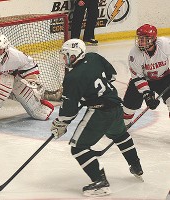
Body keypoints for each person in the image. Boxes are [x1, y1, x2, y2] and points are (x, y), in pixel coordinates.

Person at [50, 39, 143, 197]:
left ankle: (101, 183)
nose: (64, 59)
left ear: (74, 55)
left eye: (66, 56)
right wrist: (91, 91)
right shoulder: (94, 57)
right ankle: (136, 166)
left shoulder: (72, 78)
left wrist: (61, 123)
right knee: (120, 135)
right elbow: (112, 75)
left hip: (101, 112)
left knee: (78, 147)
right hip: (115, 106)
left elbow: (69, 110)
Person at [122, 24, 170, 125]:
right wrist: (147, 95)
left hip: (165, 78)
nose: (141, 41)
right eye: (140, 38)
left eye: (145, 39)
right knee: (128, 108)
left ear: (154, 39)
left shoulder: (166, 45)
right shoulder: (134, 54)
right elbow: (138, 77)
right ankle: (122, 125)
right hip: (144, 80)